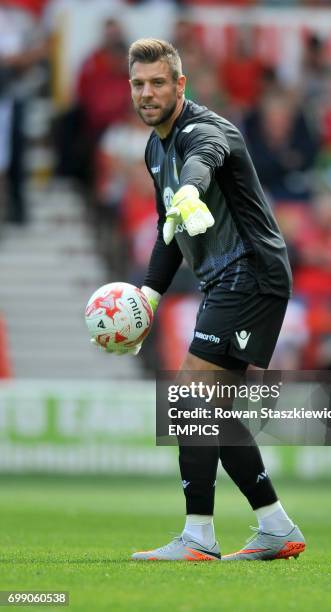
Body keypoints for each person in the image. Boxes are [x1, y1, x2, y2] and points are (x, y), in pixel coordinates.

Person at [123, 38, 305, 562]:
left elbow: (205, 159)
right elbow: (168, 227)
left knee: (190, 400)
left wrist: (191, 190)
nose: (147, 92)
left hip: (248, 273)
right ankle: (275, 526)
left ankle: (198, 536)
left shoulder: (205, 129)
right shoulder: (155, 147)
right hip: (227, 279)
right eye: (139, 83)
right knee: (212, 410)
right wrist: (149, 298)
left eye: (158, 82)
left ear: (180, 85)